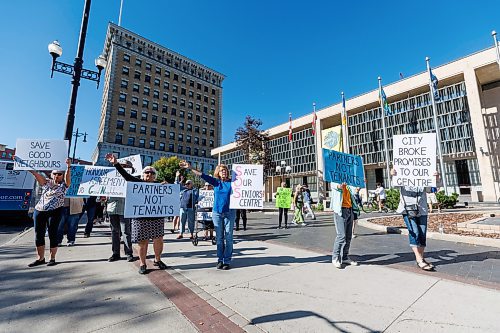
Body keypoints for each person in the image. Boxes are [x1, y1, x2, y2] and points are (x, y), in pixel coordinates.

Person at [106, 153, 168, 274]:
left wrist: (167, 186)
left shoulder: (160, 186)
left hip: (157, 217)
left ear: (155, 176)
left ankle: (157, 259)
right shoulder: (137, 183)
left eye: (152, 173)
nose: (149, 174)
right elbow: (125, 175)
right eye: (147, 172)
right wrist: (116, 164)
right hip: (140, 218)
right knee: (142, 241)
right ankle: (143, 263)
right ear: (143, 174)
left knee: (159, 239)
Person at [179, 160, 235, 270]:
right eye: (221, 170)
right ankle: (220, 260)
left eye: (225, 170)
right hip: (217, 213)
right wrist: (190, 168)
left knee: (228, 237)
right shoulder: (216, 182)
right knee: (219, 238)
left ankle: (227, 260)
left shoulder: (233, 182)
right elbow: (202, 175)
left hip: (230, 213)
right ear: (218, 173)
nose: (224, 172)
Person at [25, 158, 71, 267]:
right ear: (51, 174)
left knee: (52, 234)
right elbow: (35, 174)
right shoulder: (46, 183)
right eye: (55, 174)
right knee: (38, 235)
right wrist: (23, 164)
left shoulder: (63, 186)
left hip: (55, 212)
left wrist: (68, 166)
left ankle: (52, 258)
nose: (57, 176)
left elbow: (68, 179)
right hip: (40, 211)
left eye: (59, 174)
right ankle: (40, 258)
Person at [391, 169, 439, 271]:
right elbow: (395, 186)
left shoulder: (423, 175)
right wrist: (394, 175)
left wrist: (435, 178)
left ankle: (421, 258)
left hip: (422, 209)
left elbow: (430, 189)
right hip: (407, 209)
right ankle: (419, 259)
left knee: (422, 233)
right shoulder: (402, 173)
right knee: (415, 232)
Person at [331, 182, 360, 268]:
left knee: (348, 236)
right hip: (340, 211)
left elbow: (354, 193)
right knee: (341, 235)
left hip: (349, 209)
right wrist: (340, 185)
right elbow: (335, 186)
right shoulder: (334, 179)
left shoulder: (349, 181)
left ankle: (345, 257)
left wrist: (358, 187)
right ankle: (335, 257)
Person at [176, 175, 198, 240]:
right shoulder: (183, 190)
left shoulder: (195, 191)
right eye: (186, 184)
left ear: (191, 184)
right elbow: (177, 185)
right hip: (183, 207)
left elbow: (198, 198)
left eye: (188, 184)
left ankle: (191, 233)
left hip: (191, 208)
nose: (187, 185)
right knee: (182, 221)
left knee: (191, 221)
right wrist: (178, 178)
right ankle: (181, 233)